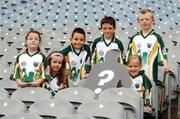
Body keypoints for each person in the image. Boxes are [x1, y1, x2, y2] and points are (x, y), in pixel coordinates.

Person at [127, 8, 169, 85]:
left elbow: (163, 51)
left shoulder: (157, 37)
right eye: (141, 19)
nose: (144, 21)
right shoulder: (134, 38)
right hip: (135, 74)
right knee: (136, 93)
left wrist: (166, 65)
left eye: (147, 19)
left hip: (151, 73)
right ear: (138, 21)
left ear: (152, 20)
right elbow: (127, 56)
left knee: (150, 93)